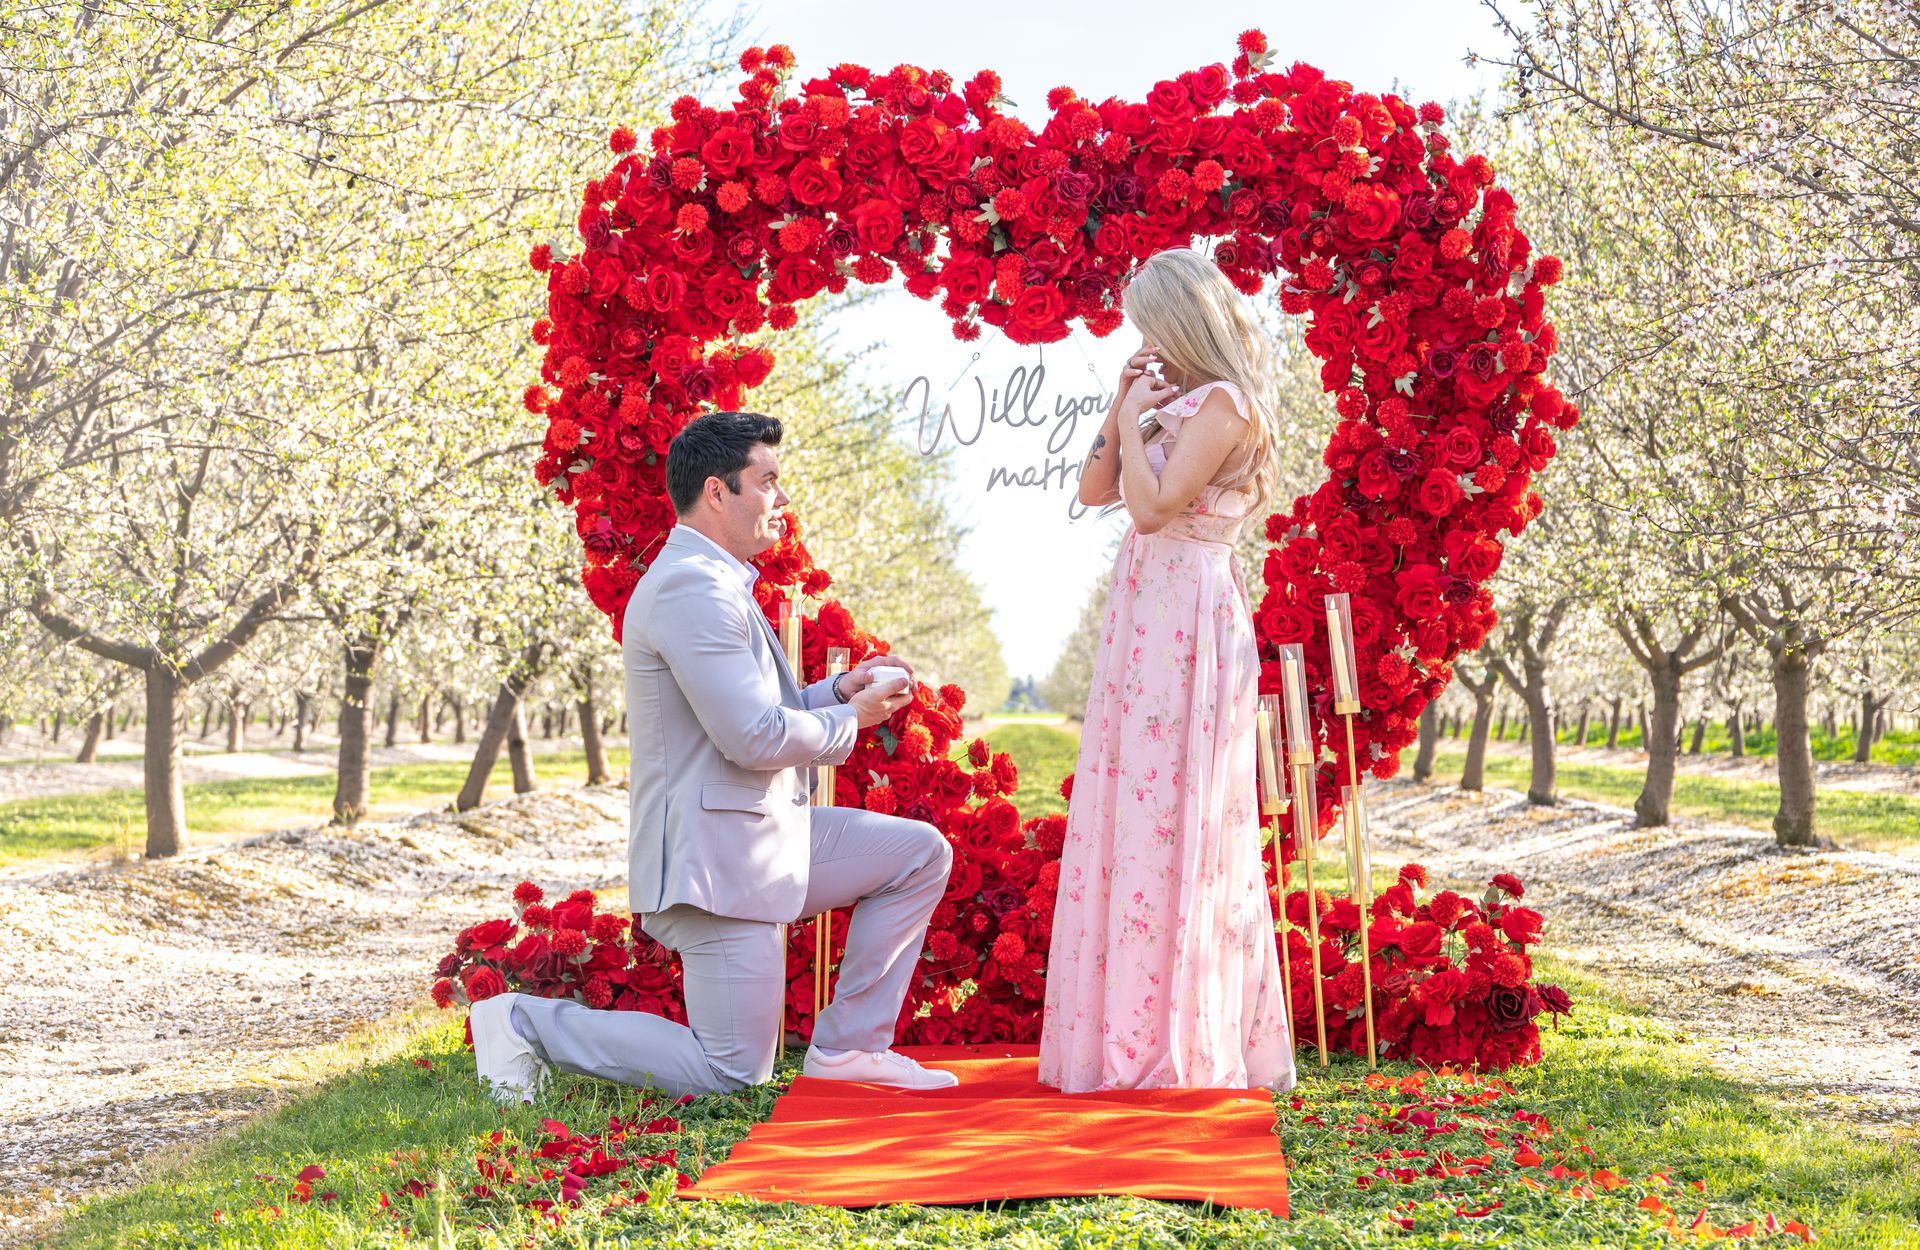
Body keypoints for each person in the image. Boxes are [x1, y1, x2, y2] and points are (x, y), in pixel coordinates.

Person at [469, 410, 959, 1102]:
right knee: (733, 1071)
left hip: (759, 838)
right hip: (717, 860)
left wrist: (835, 690)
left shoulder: (713, 578)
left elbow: (750, 711)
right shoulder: (691, 587)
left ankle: (850, 1046)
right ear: (718, 492)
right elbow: (753, 738)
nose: (782, 500)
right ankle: (521, 1020)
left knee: (918, 853)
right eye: (769, 481)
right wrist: (854, 717)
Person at [1040, 246, 1296, 1094]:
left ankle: (1179, 1035)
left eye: (1152, 323)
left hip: (1187, 613)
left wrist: (1139, 421)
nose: (1143, 338)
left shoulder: (1225, 404)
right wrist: (1121, 407)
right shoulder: (1175, 400)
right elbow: (1092, 492)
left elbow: (1150, 512)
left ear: (1184, 320)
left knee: (1178, 808)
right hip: (1146, 617)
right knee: (1135, 808)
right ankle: (1126, 1023)